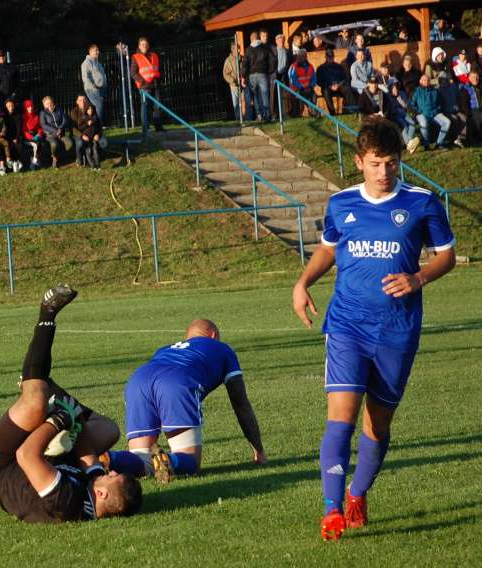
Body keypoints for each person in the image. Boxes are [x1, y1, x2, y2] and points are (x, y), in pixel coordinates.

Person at [291, 116, 456, 541]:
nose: (385, 172)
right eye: (377, 163)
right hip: (347, 325)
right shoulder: (341, 204)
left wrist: (417, 278)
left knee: (376, 426)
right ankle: (331, 509)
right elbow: (329, 247)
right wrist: (304, 282)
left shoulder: (422, 203)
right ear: (360, 162)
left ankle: (358, 493)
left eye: (392, 163)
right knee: (339, 421)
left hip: (397, 331)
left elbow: (446, 255)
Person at [0, 283, 142, 523]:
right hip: (45, 458)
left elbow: (25, 455)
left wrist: (58, 421)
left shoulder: (67, 503)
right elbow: (88, 457)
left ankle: (47, 314)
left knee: (35, 405)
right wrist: (75, 420)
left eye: (113, 476)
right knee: (108, 430)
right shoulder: (92, 492)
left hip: (3, 463)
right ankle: (40, 379)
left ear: (102, 493)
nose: (112, 470)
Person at [104, 319, 267, 484]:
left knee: (141, 460)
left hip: (138, 381)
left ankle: (110, 458)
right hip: (176, 382)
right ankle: (169, 460)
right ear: (213, 335)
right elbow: (241, 403)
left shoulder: (165, 349)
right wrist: (259, 450)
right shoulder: (223, 349)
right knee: (190, 462)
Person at [130, 36, 164, 133]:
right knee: (145, 106)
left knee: (157, 106)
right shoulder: (135, 57)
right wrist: (142, 81)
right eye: (143, 44)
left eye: (146, 44)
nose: (145, 46)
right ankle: (145, 128)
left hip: (155, 84)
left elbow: (158, 69)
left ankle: (158, 127)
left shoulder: (154, 55)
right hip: (144, 86)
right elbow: (133, 73)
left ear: (148, 45)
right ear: (139, 46)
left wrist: (159, 79)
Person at [410, 73, 451, 149]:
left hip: (434, 114)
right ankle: (426, 144)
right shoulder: (416, 91)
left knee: (447, 122)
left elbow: (440, 103)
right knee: (424, 123)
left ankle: (439, 143)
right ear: (420, 81)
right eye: (424, 80)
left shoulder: (435, 91)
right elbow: (411, 105)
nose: (426, 81)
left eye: (428, 80)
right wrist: (419, 111)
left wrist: (436, 111)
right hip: (421, 113)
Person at [242, 29, 275, 122]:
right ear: (258, 38)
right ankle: (267, 116)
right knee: (265, 95)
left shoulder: (248, 50)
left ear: (251, 39)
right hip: (263, 74)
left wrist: (243, 76)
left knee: (256, 96)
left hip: (252, 75)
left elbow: (245, 64)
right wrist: (269, 71)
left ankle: (259, 114)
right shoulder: (265, 48)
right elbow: (273, 60)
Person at [386, 78, 420, 154]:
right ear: (390, 87)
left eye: (396, 86)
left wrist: (398, 97)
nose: (395, 88)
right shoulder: (388, 96)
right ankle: (409, 144)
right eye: (393, 87)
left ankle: (409, 144)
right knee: (404, 126)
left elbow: (406, 106)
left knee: (413, 124)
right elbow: (389, 108)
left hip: (403, 113)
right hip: (395, 114)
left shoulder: (401, 93)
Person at [316, 48, 354, 115]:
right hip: (327, 87)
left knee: (347, 88)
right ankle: (332, 113)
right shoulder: (320, 68)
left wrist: (338, 85)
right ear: (326, 57)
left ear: (334, 57)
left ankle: (350, 110)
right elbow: (319, 81)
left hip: (339, 86)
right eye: (328, 56)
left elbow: (344, 78)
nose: (330, 58)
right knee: (325, 91)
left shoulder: (339, 66)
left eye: (331, 56)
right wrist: (329, 86)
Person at [40, 96, 72, 168]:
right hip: (50, 135)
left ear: (53, 102)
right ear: (44, 105)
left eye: (50, 103)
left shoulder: (59, 110)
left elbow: (65, 120)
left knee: (69, 143)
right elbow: (44, 125)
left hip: (60, 133)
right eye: (47, 104)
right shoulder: (43, 113)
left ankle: (59, 156)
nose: (49, 105)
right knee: (54, 144)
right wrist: (55, 131)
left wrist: (60, 129)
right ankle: (54, 157)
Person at [437, 75, 466, 147]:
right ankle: (454, 138)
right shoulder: (438, 90)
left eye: (445, 79)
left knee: (464, 118)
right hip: (446, 111)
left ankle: (460, 138)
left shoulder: (453, 87)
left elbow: (460, 90)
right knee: (455, 119)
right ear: (439, 81)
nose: (443, 81)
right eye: (441, 80)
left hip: (456, 110)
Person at [81, 44, 108, 123]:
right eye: (96, 50)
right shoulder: (86, 63)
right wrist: (94, 86)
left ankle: (96, 123)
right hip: (92, 89)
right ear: (90, 51)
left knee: (98, 106)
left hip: (101, 89)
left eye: (98, 50)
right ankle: (98, 124)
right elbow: (86, 77)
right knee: (99, 103)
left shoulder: (98, 63)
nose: (98, 52)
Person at [287, 50, 317, 116]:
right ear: (297, 57)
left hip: (309, 88)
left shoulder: (310, 66)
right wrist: (301, 87)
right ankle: (312, 111)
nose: (301, 57)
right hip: (297, 89)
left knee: (314, 95)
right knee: (304, 97)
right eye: (300, 56)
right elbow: (292, 79)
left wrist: (311, 86)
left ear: (306, 57)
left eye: (303, 56)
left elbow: (314, 78)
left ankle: (312, 111)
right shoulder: (294, 66)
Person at [271, 33, 292, 119]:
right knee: (274, 96)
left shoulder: (287, 51)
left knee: (285, 95)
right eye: (279, 40)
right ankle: (274, 115)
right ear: (276, 41)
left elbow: (289, 63)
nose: (281, 41)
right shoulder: (273, 51)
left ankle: (285, 114)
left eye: (282, 40)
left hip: (284, 75)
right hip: (275, 75)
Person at [77, 103, 102, 170]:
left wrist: (98, 134)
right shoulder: (82, 117)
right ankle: (92, 166)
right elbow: (79, 128)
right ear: (86, 110)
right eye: (88, 109)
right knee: (89, 151)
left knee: (95, 149)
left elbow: (100, 128)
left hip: (94, 137)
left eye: (92, 109)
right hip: (86, 138)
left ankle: (98, 166)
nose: (90, 110)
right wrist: (87, 125)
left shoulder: (96, 117)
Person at [222, 43, 243, 121]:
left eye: (239, 48)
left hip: (243, 84)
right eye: (237, 48)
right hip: (234, 85)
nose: (239, 50)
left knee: (244, 101)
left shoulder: (242, 58)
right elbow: (225, 74)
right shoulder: (228, 60)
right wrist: (233, 80)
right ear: (232, 49)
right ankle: (238, 118)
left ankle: (245, 118)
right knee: (236, 103)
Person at [21, 99, 44, 170]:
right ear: (25, 108)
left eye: (31, 106)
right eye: (28, 107)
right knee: (36, 144)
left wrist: (39, 134)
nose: (30, 108)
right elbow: (24, 130)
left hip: (36, 135)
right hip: (27, 137)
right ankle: (34, 162)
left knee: (39, 142)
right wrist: (31, 137)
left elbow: (39, 127)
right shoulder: (24, 117)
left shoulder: (36, 116)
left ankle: (33, 162)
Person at [3, 99, 23, 172]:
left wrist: (16, 138)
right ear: (6, 107)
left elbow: (19, 128)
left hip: (17, 136)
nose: (10, 107)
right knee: (10, 145)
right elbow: (5, 129)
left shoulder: (18, 115)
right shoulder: (4, 117)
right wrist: (11, 139)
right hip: (8, 136)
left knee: (19, 145)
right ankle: (15, 162)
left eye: (11, 106)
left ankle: (16, 162)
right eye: (8, 106)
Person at [69, 94, 90, 166]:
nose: (83, 102)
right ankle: (79, 159)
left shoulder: (91, 109)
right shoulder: (73, 111)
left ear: (87, 100)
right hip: (77, 134)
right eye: (80, 100)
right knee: (80, 142)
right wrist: (82, 135)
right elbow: (73, 128)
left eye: (84, 100)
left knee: (100, 142)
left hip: (89, 132)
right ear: (77, 102)